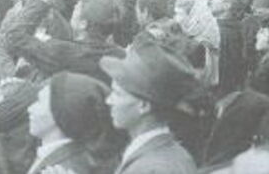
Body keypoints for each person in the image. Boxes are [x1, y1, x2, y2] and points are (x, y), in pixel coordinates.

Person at [101, 40, 200, 174]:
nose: (109, 100)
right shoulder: (167, 154)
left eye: (117, 94)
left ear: (143, 105)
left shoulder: (153, 167)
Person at [25, 71, 111, 174]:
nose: (30, 108)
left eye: (39, 102)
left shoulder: (64, 167)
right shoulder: (62, 156)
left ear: (59, 114)